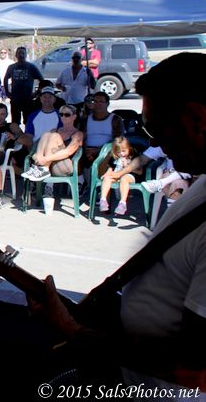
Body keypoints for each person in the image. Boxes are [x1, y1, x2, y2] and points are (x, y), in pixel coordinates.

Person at [30, 53, 206, 394]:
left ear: (196, 119)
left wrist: (76, 331)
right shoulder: (201, 185)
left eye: (156, 128)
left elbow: (193, 366)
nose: (155, 143)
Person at [21, 103, 84, 182]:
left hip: (66, 166)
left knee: (55, 136)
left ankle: (43, 168)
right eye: (61, 114)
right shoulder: (54, 130)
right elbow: (41, 149)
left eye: (67, 115)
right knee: (46, 134)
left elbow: (68, 152)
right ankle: (40, 168)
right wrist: (39, 158)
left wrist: (45, 159)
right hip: (49, 164)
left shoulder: (78, 134)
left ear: (74, 117)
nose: (63, 117)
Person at [96, 136, 141, 216]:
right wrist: (106, 174)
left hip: (130, 176)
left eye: (123, 151)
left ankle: (122, 203)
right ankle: (103, 200)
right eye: (118, 152)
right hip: (116, 175)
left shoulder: (133, 156)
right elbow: (111, 168)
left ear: (129, 148)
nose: (121, 154)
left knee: (124, 178)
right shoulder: (115, 158)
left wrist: (127, 166)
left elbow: (140, 171)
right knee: (107, 178)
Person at [82, 92, 125, 172]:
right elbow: (81, 137)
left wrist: (99, 150)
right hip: (87, 152)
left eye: (101, 102)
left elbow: (118, 140)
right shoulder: (86, 119)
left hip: (108, 152)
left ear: (107, 103)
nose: (98, 104)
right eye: (95, 101)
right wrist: (87, 151)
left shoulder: (115, 119)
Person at [3, 46, 44, 126]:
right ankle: (16, 134)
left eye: (23, 53)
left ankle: (27, 134)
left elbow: (42, 80)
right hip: (15, 99)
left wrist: (37, 93)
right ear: (16, 55)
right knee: (15, 123)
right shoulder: (12, 67)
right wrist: (7, 92)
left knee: (28, 121)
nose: (21, 55)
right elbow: (5, 79)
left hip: (27, 99)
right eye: (19, 53)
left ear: (25, 55)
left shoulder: (31, 67)